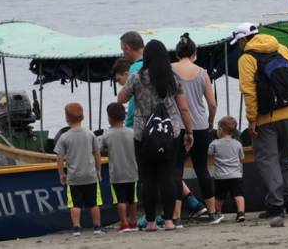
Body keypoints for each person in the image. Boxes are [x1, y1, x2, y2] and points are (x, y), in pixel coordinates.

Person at [117, 39, 194, 232]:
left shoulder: (136, 78)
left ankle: (150, 222)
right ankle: (169, 221)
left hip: (143, 134)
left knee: (147, 178)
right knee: (168, 176)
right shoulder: (172, 78)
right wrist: (189, 131)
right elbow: (183, 108)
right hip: (170, 132)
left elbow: (121, 99)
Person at [231, 22, 288, 225]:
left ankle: (276, 205)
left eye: (239, 43)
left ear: (244, 39)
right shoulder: (282, 48)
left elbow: (249, 92)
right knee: (287, 158)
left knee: (268, 160)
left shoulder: (247, 58)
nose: (239, 46)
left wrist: (252, 120)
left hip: (266, 118)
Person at [171, 33, 222, 225]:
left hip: (178, 125)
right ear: (194, 53)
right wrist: (210, 122)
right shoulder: (202, 72)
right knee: (202, 168)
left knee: (176, 170)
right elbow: (212, 103)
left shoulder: (170, 70)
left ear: (177, 53)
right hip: (200, 125)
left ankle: (176, 216)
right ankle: (211, 213)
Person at [55, 103, 105, 236]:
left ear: (67, 119)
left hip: (74, 177)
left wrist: (61, 173)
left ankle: (77, 227)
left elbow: (59, 158)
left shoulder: (64, 137)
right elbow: (97, 154)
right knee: (94, 203)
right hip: (90, 175)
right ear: (82, 117)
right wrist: (98, 170)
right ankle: (97, 227)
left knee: (75, 205)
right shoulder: (90, 134)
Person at [100, 102, 139, 233]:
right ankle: (134, 222)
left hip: (117, 172)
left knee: (120, 199)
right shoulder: (132, 132)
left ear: (110, 118)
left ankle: (124, 222)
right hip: (132, 170)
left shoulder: (107, 135)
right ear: (124, 117)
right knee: (132, 198)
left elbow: (99, 150)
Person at [209, 116, 246, 223]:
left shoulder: (215, 143)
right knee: (238, 194)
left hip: (221, 176)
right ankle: (241, 213)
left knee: (219, 196)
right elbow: (242, 157)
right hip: (236, 175)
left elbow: (209, 153)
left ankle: (218, 213)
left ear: (220, 129)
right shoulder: (238, 144)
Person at [119, 32, 145, 128]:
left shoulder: (135, 68)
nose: (123, 54)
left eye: (123, 50)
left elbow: (126, 99)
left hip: (138, 124)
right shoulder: (155, 63)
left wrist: (129, 122)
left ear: (127, 47)